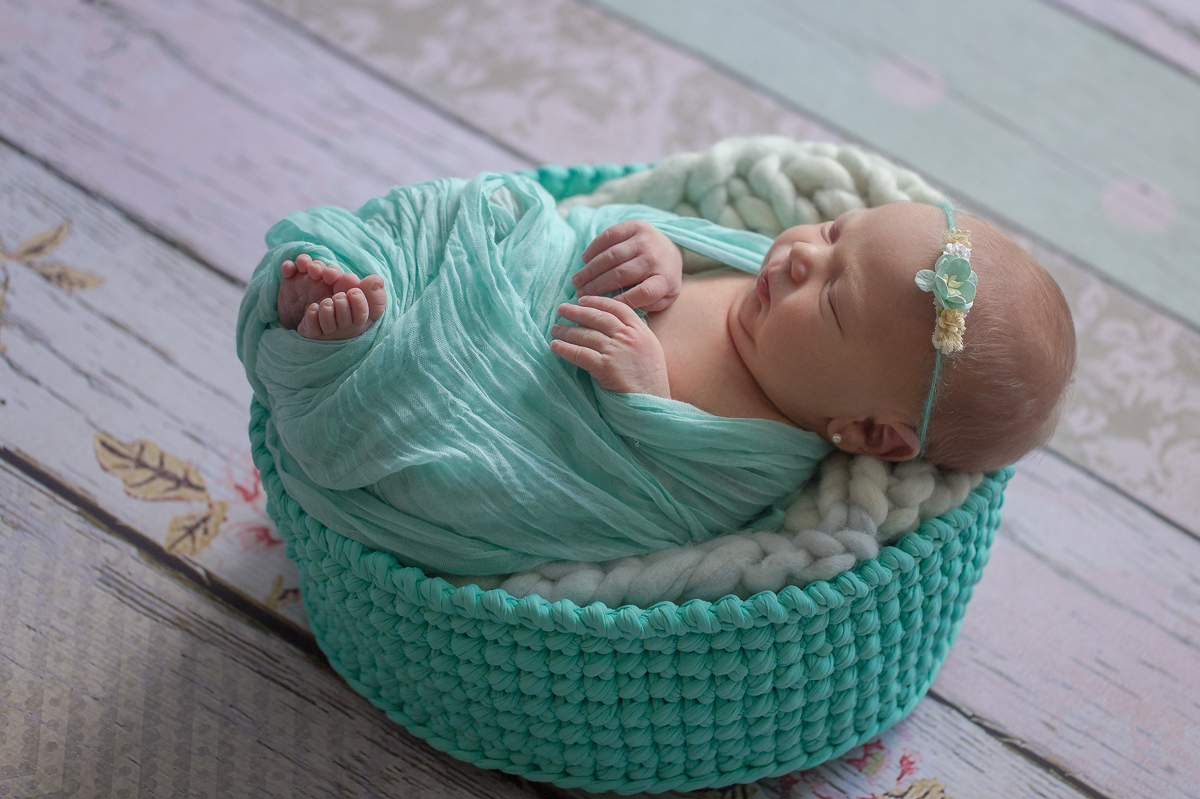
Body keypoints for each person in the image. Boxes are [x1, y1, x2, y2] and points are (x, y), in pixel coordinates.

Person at [240, 171, 1074, 575]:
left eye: (829, 303)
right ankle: (366, 282)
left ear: (862, 432)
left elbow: (673, 511)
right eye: (830, 231)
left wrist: (648, 398)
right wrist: (657, 247)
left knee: (449, 476)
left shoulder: (771, 453)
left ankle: (342, 356)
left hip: (521, 421)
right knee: (494, 210)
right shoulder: (759, 268)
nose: (793, 260)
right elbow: (608, 229)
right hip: (517, 287)